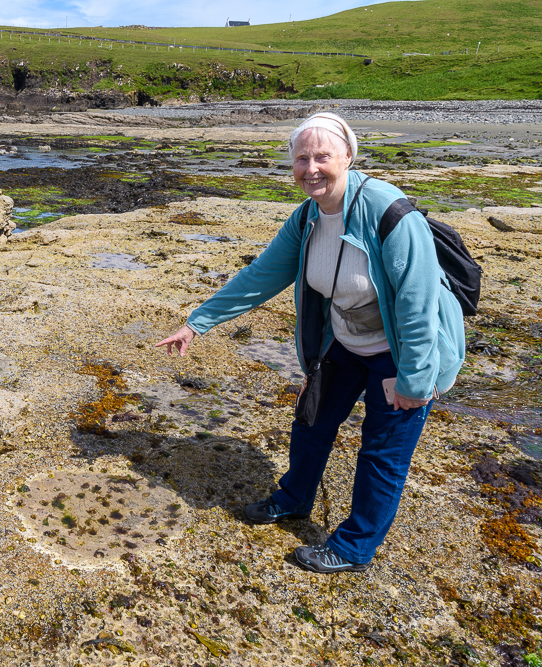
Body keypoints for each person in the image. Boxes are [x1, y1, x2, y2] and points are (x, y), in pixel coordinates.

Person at [156, 112, 465, 573]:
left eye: (323, 156)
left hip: (402, 350)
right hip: (344, 340)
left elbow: (418, 304)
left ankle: (353, 547)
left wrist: (414, 381)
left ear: (348, 156)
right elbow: (261, 275)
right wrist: (197, 323)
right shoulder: (306, 218)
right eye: (302, 158)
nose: (311, 168)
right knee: (311, 419)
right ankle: (294, 499)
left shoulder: (388, 211)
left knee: (382, 451)